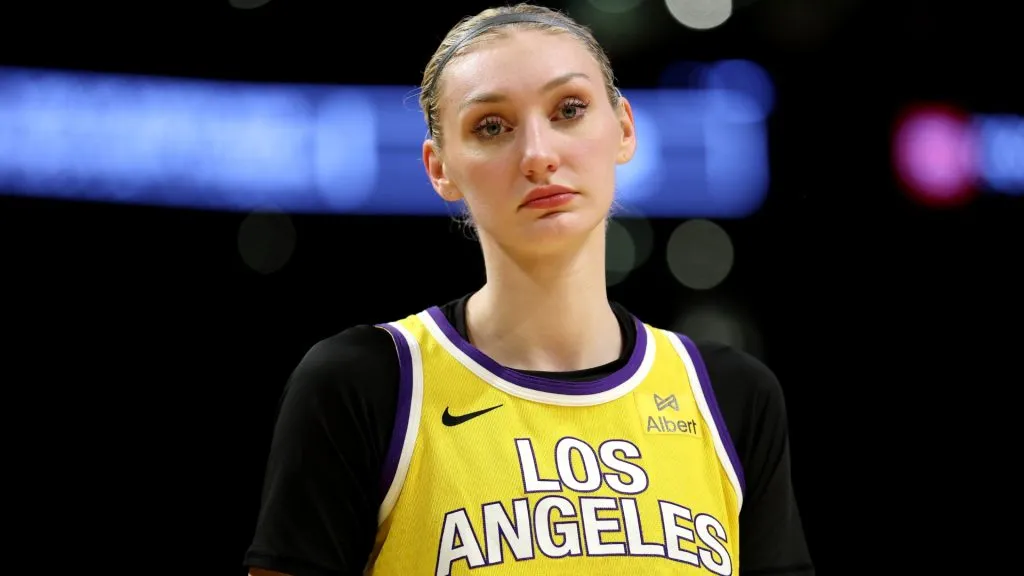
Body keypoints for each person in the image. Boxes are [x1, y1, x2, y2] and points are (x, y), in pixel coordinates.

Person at [244, 4, 813, 575]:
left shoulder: (731, 397)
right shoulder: (366, 384)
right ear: (439, 168)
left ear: (624, 129)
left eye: (569, 110)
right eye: (492, 126)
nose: (539, 155)